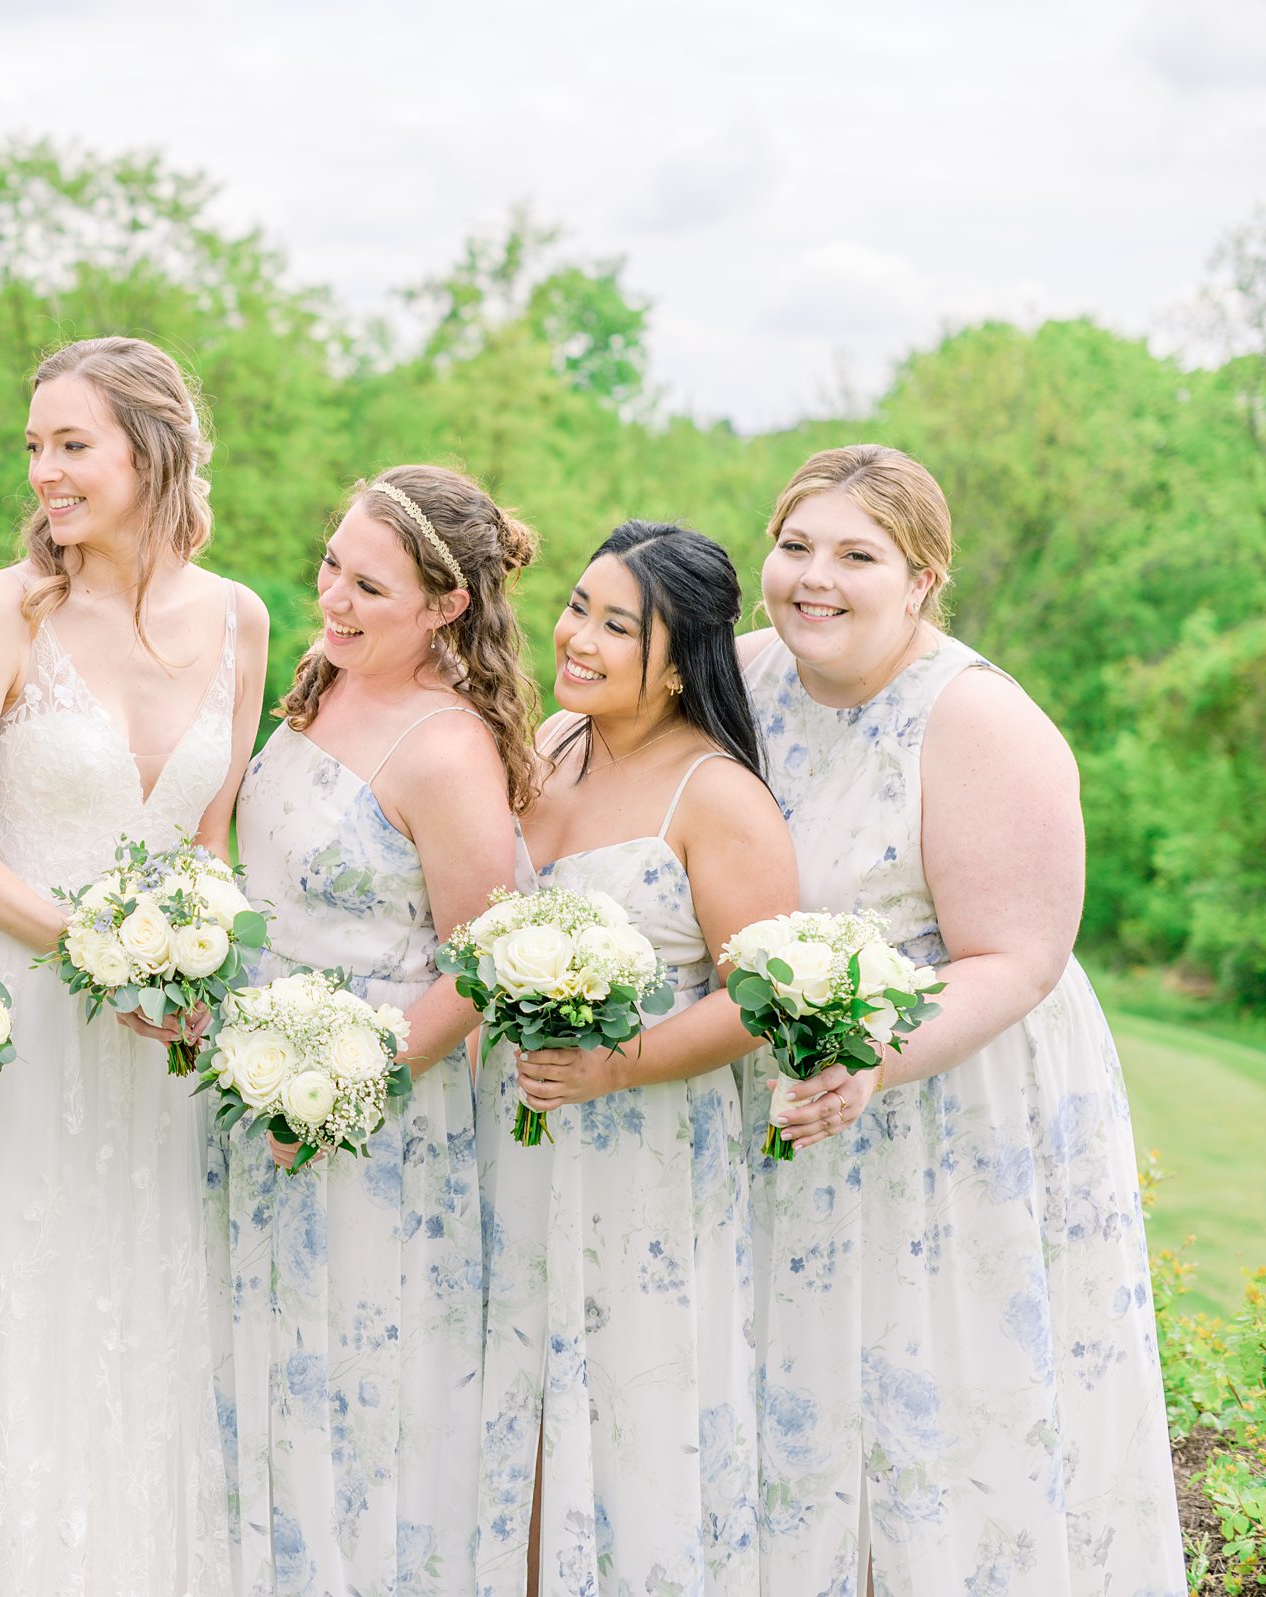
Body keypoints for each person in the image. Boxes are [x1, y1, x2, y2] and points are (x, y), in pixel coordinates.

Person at [742, 445, 1182, 1595]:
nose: (814, 578)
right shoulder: (741, 679)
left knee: (940, 1401)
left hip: (952, 1098)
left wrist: (872, 1064)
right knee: (800, 1411)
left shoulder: (979, 719)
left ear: (924, 577)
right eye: (795, 546)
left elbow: (1019, 957)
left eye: (856, 555)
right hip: (792, 1099)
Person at [0, 336, 268, 1594]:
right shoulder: (2, 609)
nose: (46, 471)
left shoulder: (240, 616)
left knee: (146, 1324)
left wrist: (194, 972)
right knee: (18, 1316)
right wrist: (103, 959)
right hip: (19, 1020)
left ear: (152, 449)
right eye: (35, 447)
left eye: (73, 444)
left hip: (163, 1048)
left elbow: (213, 834)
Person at [219, 466, 528, 1593]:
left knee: (350, 1403)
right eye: (331, 567)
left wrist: (341, 1089)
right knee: (256, 1394)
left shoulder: (447, 749)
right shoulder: (325, 679)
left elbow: (479, 967)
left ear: (446, 607)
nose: (333, 601)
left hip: (374, 1128)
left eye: (370, 588)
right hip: (250, 1086)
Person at [478, 521, 793, 1594]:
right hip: (513, 1141)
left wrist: (620, 1064)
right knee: (513, 1404)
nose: (579, 636)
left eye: (620, 625)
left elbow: (760, 995)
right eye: (578, 607)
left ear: (684, 656)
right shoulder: (551, 743)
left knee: (629, 1407)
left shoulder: (717, 796)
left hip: (646, 1157)